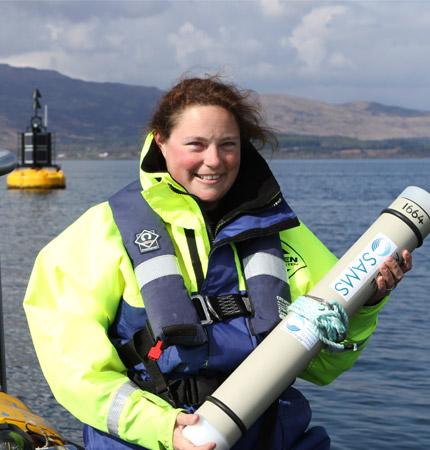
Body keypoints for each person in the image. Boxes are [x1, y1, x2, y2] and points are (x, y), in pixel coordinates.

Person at [23, 74, 412, 450]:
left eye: (228, 144)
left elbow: (324, 367)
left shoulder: (284, 235)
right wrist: (163, 428)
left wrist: (367, 304)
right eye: (195, 144)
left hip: (269, 435)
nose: (214, 161)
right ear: (161, 141)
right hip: (147, 441)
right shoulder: (98, 233)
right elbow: (74, 370)